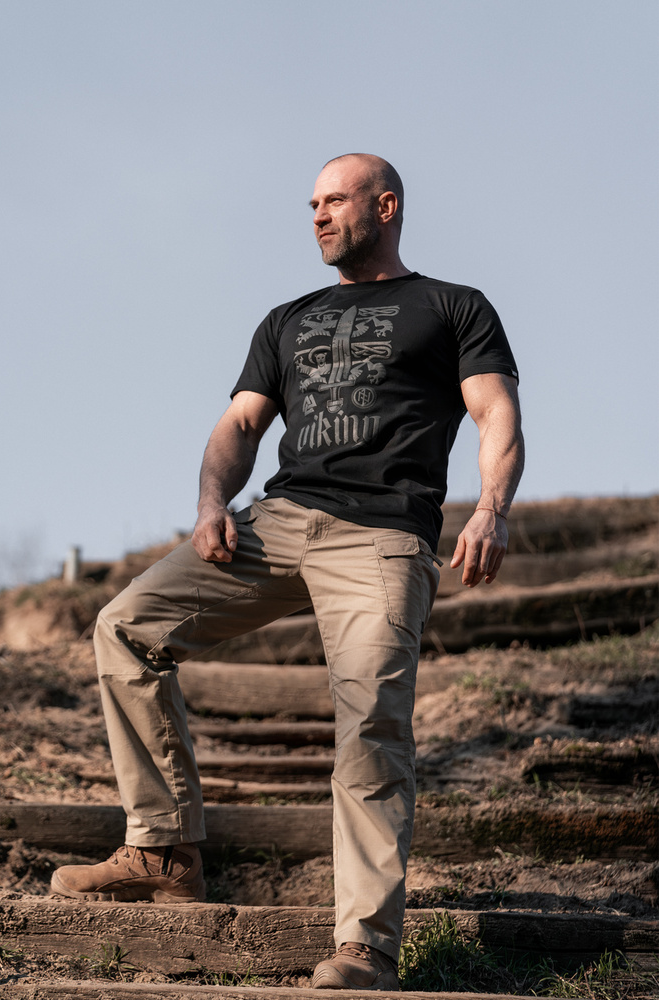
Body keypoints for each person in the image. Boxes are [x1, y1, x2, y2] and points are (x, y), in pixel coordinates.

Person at [51, 153, 524, 991]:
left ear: (385, 205)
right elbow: (239, 425)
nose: (318, 215)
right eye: (311, 204)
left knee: (371, 723)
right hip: (276, 523)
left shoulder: (453, 306)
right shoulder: (288, 318)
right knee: (126, 625)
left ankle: (365, 947)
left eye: (335, 200)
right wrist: (210, 504)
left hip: (381, 535)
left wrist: (491, 508)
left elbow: (495, 413)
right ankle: (163, 850)